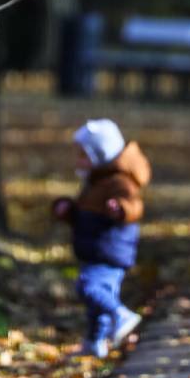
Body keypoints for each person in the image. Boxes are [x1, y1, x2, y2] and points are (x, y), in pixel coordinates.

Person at [52, 119, 151, 358]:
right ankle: (95, 343)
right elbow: (88, 213)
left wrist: (121, 210)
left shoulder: (120, 180)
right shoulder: (96, 181)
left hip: (109, 251)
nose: (78, 161)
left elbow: (134, 206)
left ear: (100, 154)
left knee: (89, 287)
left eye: (83, 155)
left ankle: (122, 315)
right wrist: (69, 211)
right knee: (96, 306)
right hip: (97, 249)